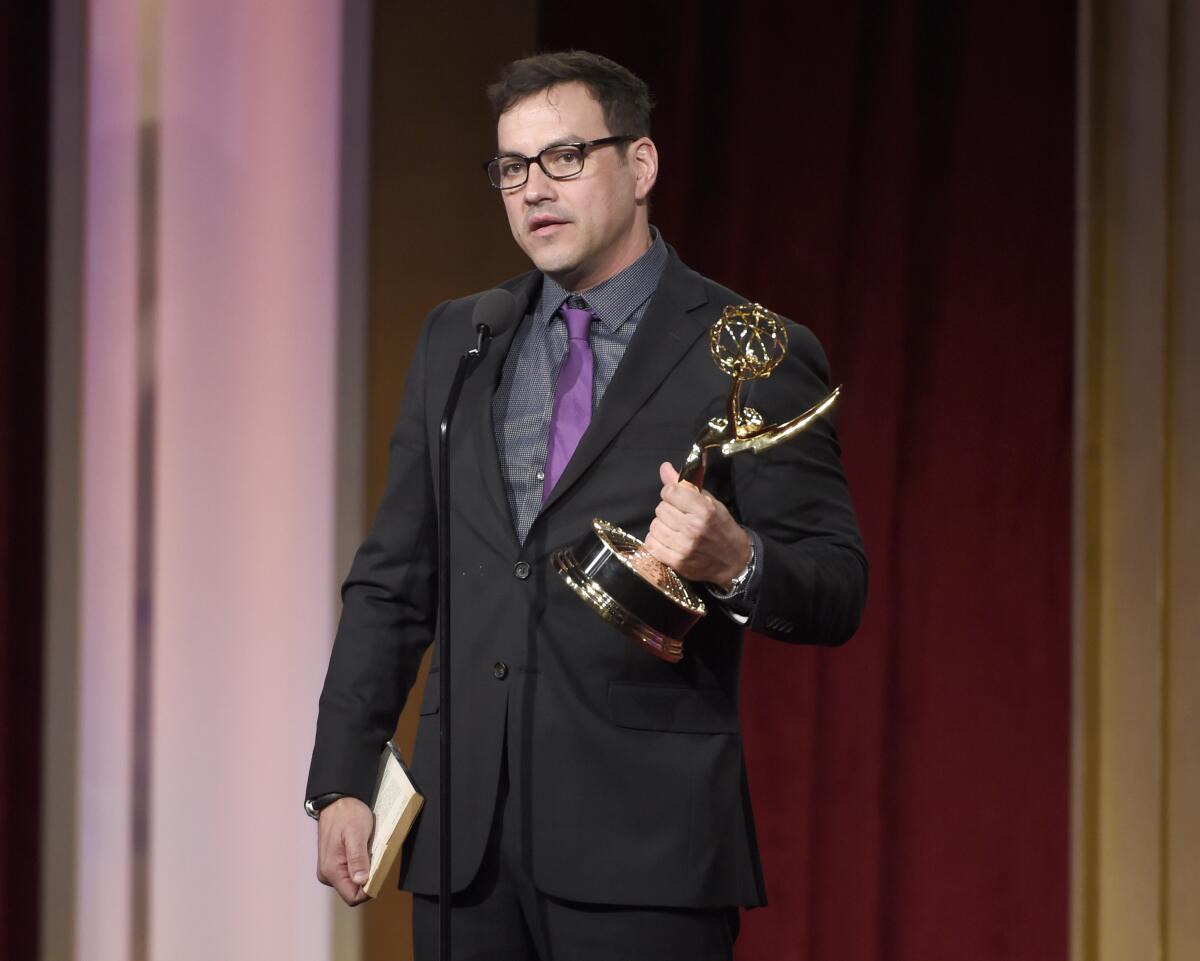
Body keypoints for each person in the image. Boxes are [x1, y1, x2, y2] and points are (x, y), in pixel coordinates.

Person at [306, 50, 866, 961]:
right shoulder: (462, 336)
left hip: (644, 851)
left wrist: (738, 560)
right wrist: (341, 777)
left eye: (564, 157)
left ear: (640, 167)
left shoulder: (744, 349)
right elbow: (393, 583)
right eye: (512, 167)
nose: (534, 188)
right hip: (465, 850)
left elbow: (838, 585)